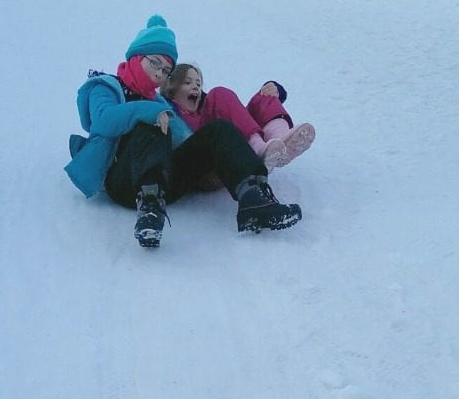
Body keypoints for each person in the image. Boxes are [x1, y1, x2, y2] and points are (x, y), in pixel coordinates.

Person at [64, 15, 303, 247]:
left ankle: (254, 199)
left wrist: (219, 162)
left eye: (166, 70)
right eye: (155, 63)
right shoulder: (106, 87)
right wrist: (150, 111)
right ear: (136, 56)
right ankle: (149, 208)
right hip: (124, 182)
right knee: (149, 125)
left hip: (167, 182)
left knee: (218, 130)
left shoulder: (159, 102)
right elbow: (102, 121)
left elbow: (186, 140)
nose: (159, 73)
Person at [162, 64, 315, 170]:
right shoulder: (167, 111)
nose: (196, 87)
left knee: (264, 96)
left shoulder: (206, 106)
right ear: (171, 89)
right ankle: (259, 150)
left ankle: (281, 142)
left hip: (237, 142)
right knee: (220, 94)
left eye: (198, 83)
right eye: (187, 82)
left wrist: (274, 89)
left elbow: (241, 116)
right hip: (207, 158)